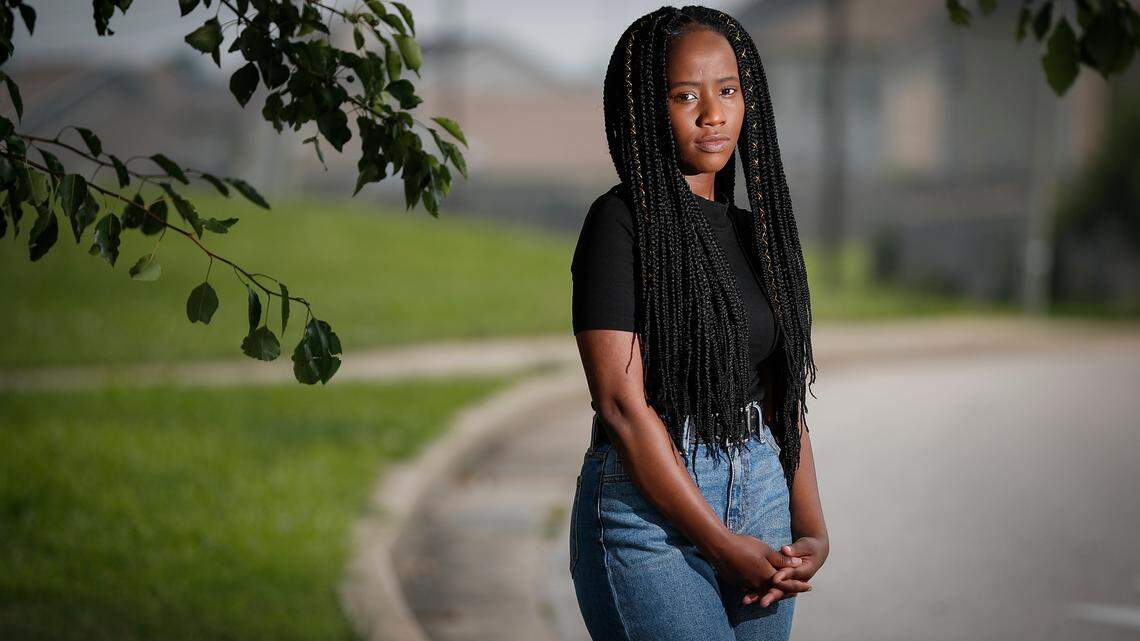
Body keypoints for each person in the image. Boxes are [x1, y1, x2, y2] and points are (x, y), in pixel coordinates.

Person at [568, 6, 829, 640]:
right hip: (651, 514)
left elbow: (781, 395)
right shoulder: (619, 224)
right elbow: (621, 406)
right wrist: (717, 541)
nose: (713, 114)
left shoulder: (757, 234)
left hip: (762, 489)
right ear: (645, 110)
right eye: (685, 95)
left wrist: (812, 526)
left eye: (728, 90)